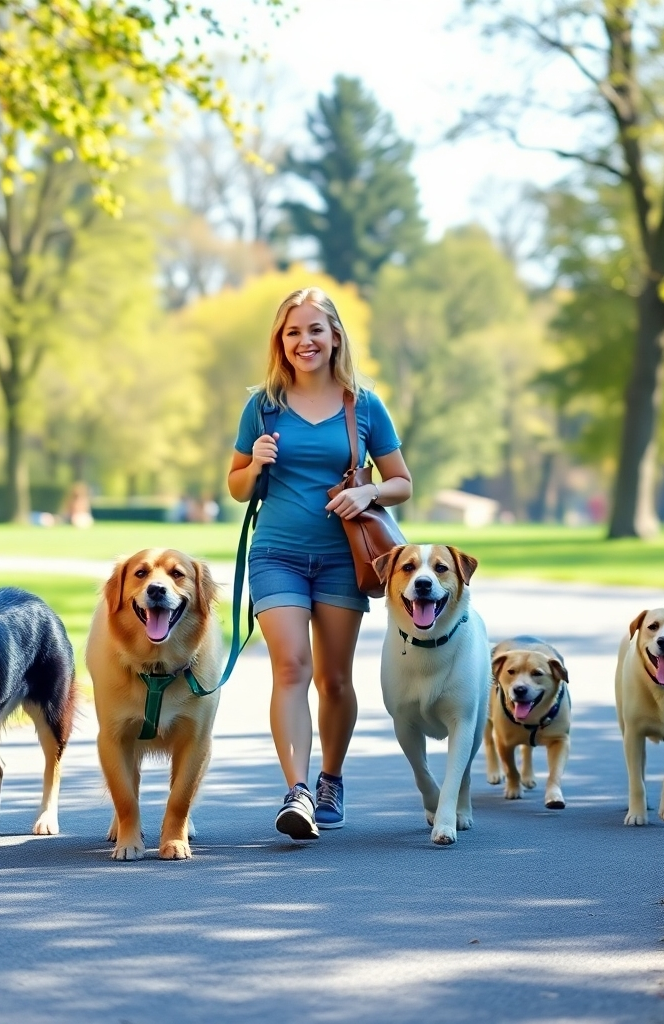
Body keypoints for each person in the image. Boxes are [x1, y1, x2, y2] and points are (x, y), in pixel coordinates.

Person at [228, 287, 412, 840]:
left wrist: (369, 495)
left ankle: (331, 777)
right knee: (291, 668)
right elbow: (237, 488)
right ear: (280, 343)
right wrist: (254, 463)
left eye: (314, 330)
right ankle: (298, 791)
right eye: (292, 332)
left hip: (342, 559)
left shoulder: (364, 404)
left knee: (334, 679)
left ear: (335, 336)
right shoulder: (262, 405)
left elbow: (402, 481)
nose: (304, 341)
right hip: (276, 554)